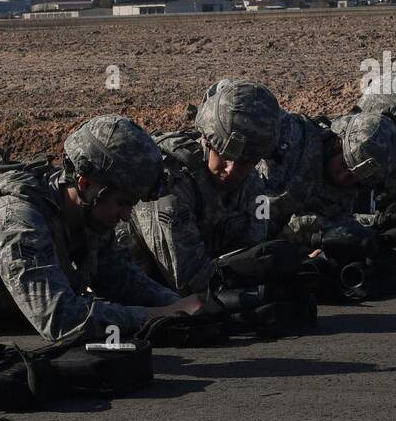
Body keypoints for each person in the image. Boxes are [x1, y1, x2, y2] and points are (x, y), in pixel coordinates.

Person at [0, 114, 201, 341]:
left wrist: (180, 306)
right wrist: (156, 315)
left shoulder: (87, 215)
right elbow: (61, 320)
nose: (126, 216)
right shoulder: (17, 221)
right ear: (85, 182)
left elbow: (118, 277)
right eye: (122, 203)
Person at [120, 79, 280, 296]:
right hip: (141, 298)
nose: (231, 169)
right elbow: (188, 281)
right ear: (206, 140)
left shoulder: (252, 184)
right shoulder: (169, 183)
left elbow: (252, 252)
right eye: (225, 155)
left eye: (245, 162)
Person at [257, 110, 396, 245]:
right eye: (344, 164)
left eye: (353, 177)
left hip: (265, 251)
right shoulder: (293, 134)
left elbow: (334, 224)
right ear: (338, 143)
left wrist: (377, 221)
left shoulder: (348, 194)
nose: (342, 177)